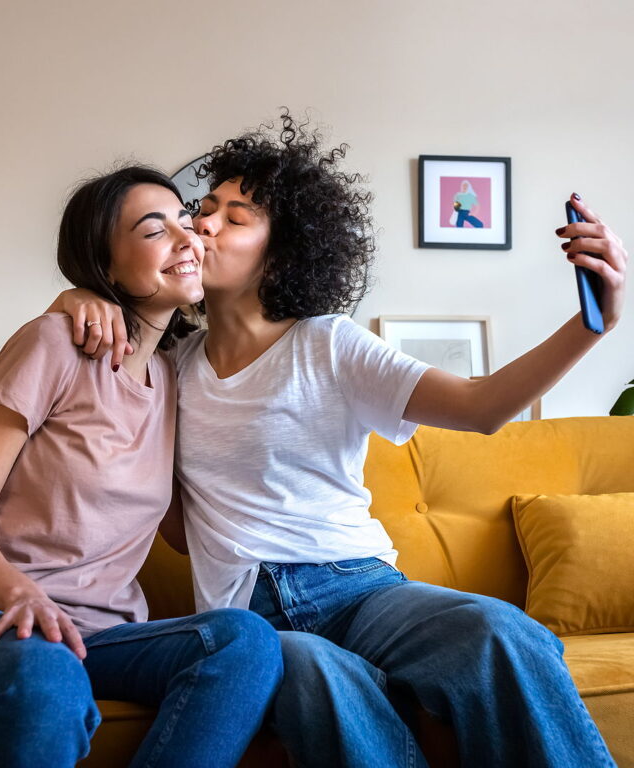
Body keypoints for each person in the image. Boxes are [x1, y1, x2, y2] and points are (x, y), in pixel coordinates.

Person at [48, 112, 626, 767]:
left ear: (281, 250)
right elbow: (173, 524)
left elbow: (482, 406)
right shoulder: (168, 369)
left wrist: (593, 325)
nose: (202, 224)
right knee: (310, 670)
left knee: (500, 631)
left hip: (361, 590)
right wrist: (76, 296)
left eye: (235, 218)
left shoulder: (328, 344)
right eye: (201, 209)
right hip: (252, 616)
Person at [0, 166, 290, 768]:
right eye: (153, 230)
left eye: (183, 222)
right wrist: (24, 597)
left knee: (243, 643)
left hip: (105, 639)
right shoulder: (52, 345)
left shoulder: (173, 377)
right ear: (105, 266)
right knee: (44, 673)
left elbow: (184, 536)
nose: (187, 238)